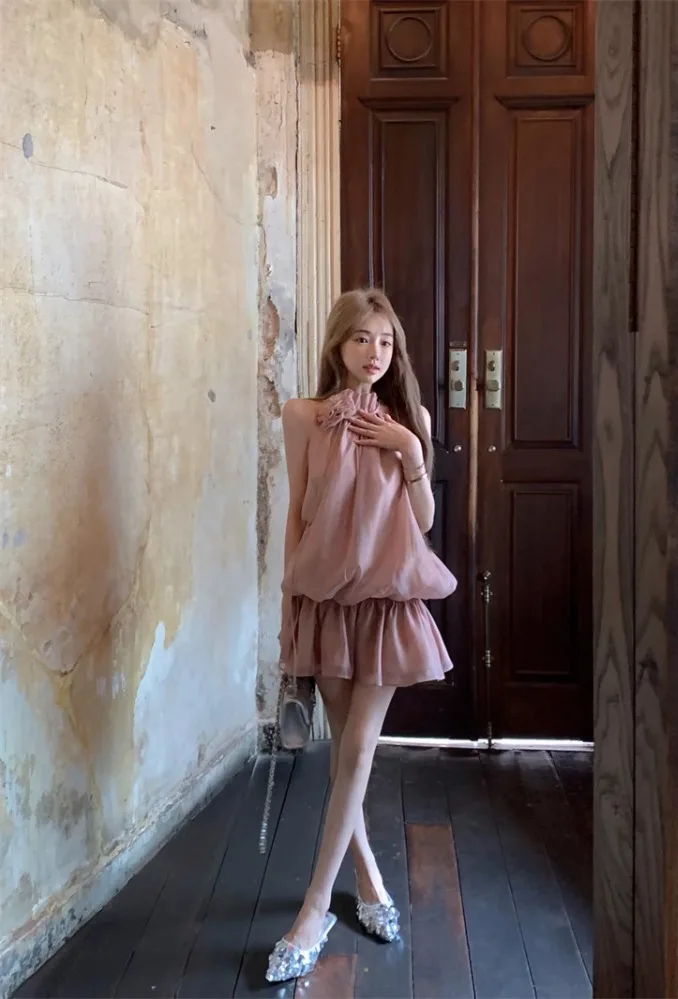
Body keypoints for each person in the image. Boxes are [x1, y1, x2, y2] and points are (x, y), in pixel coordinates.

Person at [266, 288, 457, 983]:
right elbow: (298, 514)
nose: (375, 352)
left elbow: (424, 520)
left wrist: (409, 449)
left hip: (385, 603)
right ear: (337, 345)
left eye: (385, 341)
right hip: (323, 602)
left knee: (357, 748)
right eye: (361, 339)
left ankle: (315, 907)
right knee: (347, 752)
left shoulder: (412, 420)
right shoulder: (302, 416)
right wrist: (290, 605)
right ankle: (369, 876)